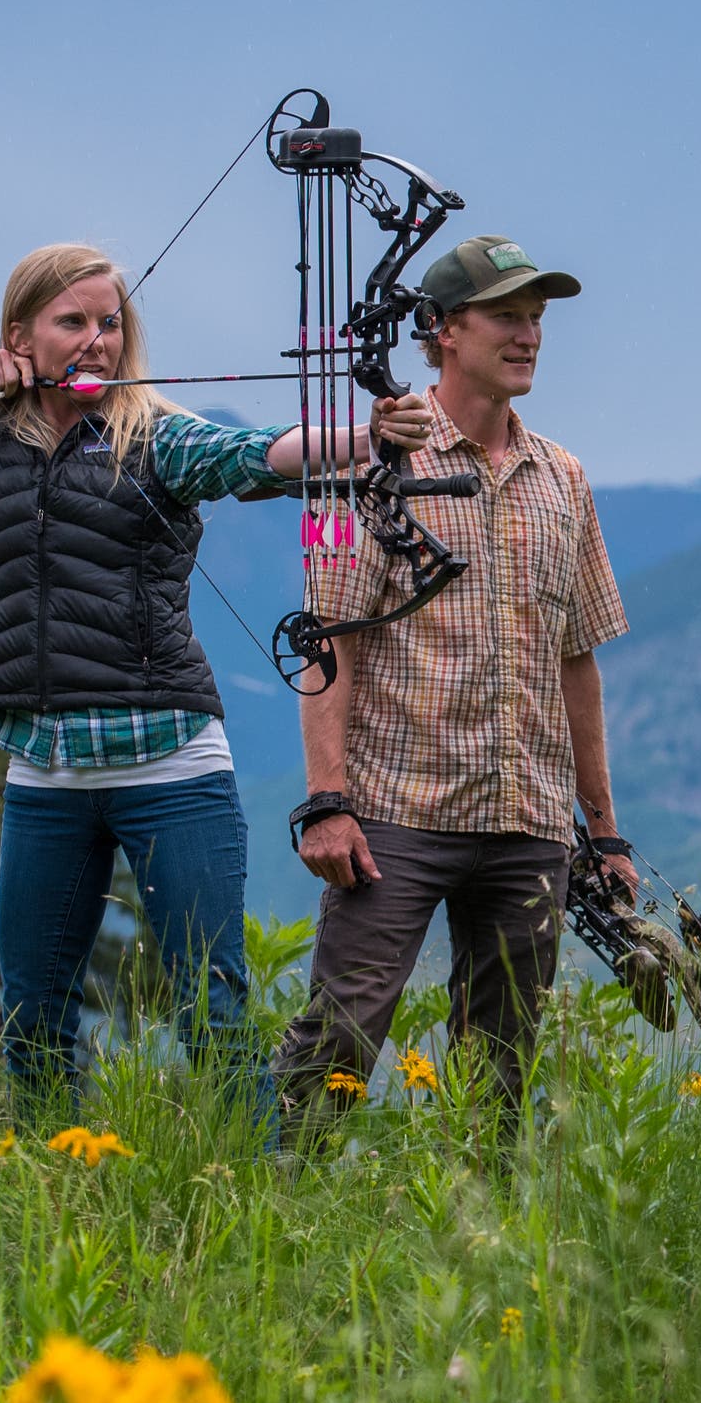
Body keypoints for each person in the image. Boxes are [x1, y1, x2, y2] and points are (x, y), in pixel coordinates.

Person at [0, 243, 428, 1093]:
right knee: (32, 1020)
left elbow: (257, 453)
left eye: (110, 323)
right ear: (20, 334)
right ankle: (46, 1203)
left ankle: (251, 1205)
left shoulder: (154, 439)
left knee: (211, 1018)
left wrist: (366, 436)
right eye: (71, 321)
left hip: (171, 766)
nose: (97, 340)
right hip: (44, 777)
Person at [274, 233, 634, 1128]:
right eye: (506, 315)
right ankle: (272, 1210)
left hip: (531, 822)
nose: (529, 335)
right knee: (340, 1041)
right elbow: (327, 643)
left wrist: (606, 832)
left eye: (537, 318)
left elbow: (577, 657)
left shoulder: (566, 477)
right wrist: (327, 802)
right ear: (439, 329)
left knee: (502, 1070)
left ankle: (477, 1245)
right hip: (397, 814)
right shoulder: (371, 461)